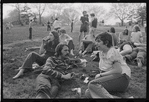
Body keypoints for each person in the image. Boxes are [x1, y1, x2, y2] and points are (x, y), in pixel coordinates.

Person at [85, 32, 131, 98]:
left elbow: (118, 70)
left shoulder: (112, 52)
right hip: (112, 78)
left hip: (122, 78)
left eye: (98, 41)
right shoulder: (102, 52)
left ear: (106, 42)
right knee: (88, 93)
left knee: (93, 84)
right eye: (96, 41)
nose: (96, 44)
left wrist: (101, 75)